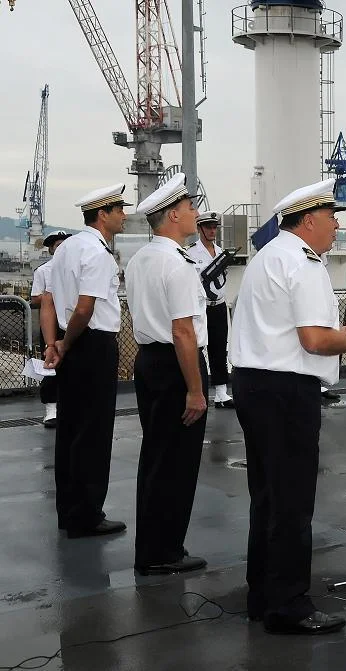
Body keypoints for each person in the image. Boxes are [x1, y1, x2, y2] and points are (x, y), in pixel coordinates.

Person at [229, 178, 346, 635]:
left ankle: (263, 593)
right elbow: (314, 340)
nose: (336, 227)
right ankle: (289, 604)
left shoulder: (268, 256)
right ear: (309, 221)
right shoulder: (304, 263)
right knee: (292, 501)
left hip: (254, 384)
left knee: (268, 496)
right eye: (332, 219)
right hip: (285, 391)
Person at [126, 173, 208, 576]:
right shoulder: (177, 264)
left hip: (150, 362)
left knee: (157, 457)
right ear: (174, 214)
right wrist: (195, 389)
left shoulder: (141, 259)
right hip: (177, 366)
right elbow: (183, 330)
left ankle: (155, 546)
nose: (195, 212)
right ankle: (164, 552)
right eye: (190, 207)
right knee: (176, 462)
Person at [40, 183, 128, 538]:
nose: (124, 215)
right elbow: (86, 308)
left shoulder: (67, 248)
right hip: (91, 345)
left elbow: (51, 299)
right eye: (119, 209)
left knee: (71, 431)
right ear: (102, 214)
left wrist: (55, 342)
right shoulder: (96, 253)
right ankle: (87, 515)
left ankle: (70, 511)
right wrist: (66, 342)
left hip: (72, 344)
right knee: (93, 432)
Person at [187, 210, 234, 408]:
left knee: (218, 348)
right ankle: (196, 390)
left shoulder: (221, 253)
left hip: (219, 306)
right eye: (208, 227)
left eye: (215, 227)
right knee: (197, 348)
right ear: (200, 229)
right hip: (200, 308)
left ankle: (221, 393)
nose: (213, 231)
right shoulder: (190, 253)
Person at [31, 230, 71, 428]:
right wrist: (52, 296)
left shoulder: (75, 268)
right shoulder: (43, 271)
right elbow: (35, 299)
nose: (61, 248)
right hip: (52, 323)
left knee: (73, 364)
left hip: (71, 321)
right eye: (57, 245)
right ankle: (51, 409)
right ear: (51, 249)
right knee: (50, 366)